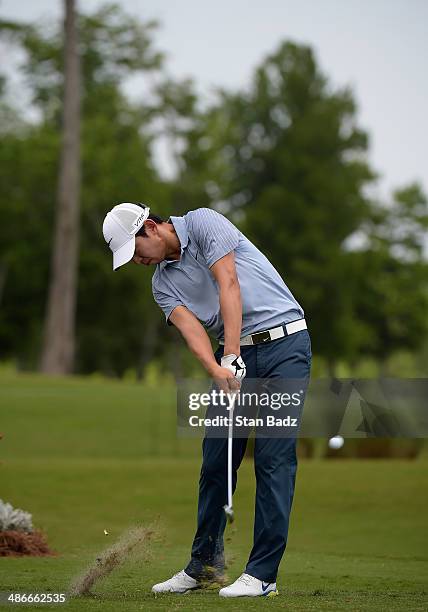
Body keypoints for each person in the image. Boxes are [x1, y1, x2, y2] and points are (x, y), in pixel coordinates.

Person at [102, 202, 312, 598]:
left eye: (136, 251)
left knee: (272, 459)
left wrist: (230, 353)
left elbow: (228, 282)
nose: (137, 262)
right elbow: (191, 330)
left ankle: (262, 575)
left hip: (285, 343)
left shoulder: (203, 222)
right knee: (216, 459)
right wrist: (218, 368)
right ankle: (204, 565)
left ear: (150, 227)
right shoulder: (161, 283)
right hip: (234, 357)